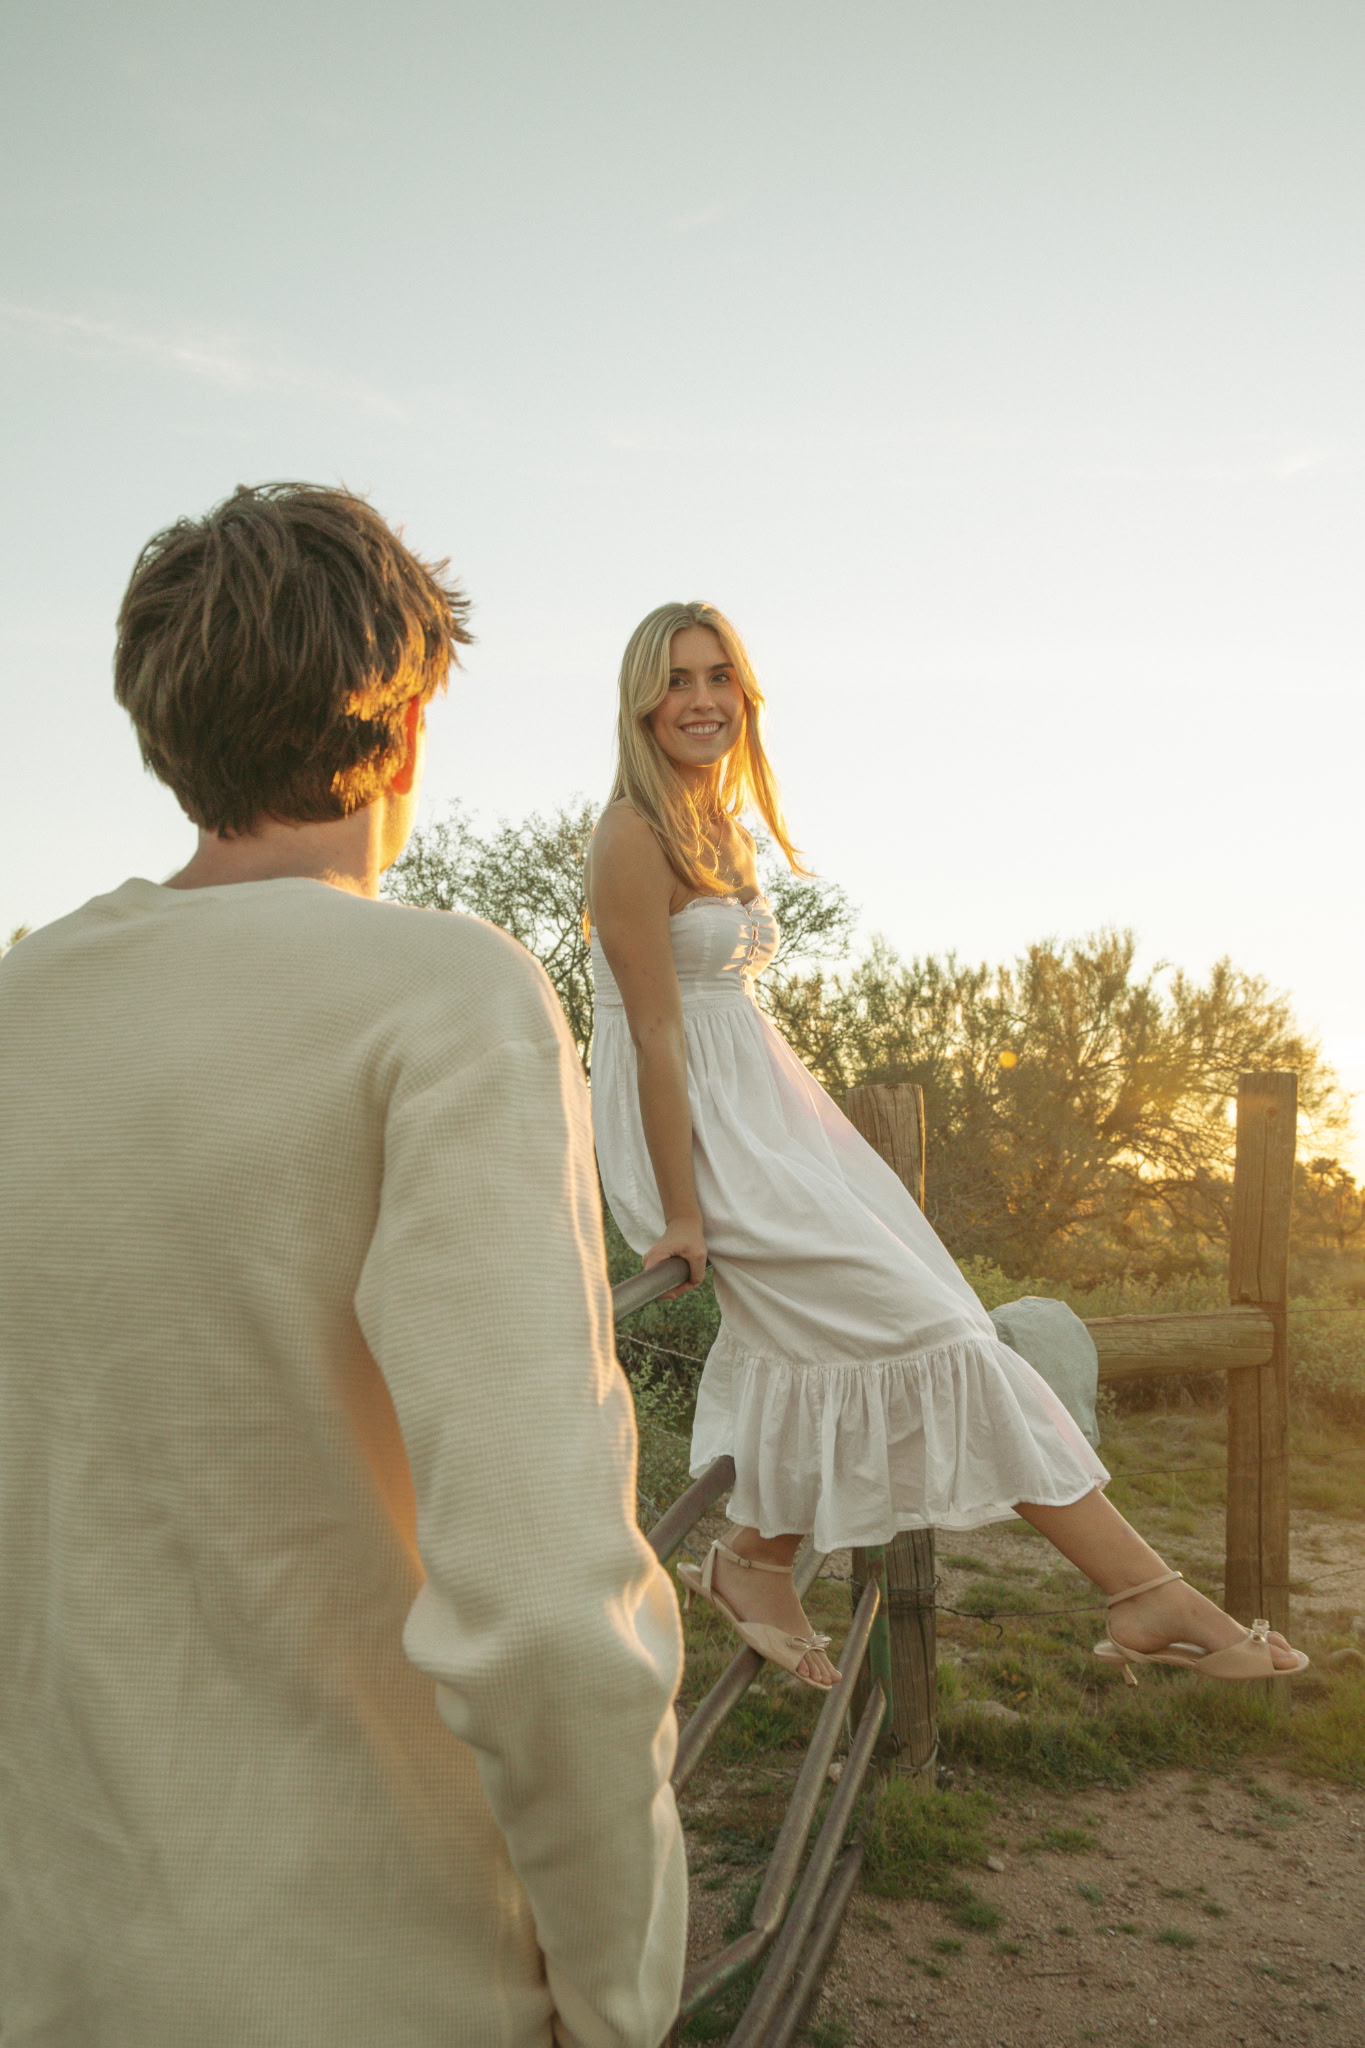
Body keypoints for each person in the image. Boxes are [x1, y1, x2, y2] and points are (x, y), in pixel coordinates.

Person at [0, 485, 686, 2048]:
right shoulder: (444, 999)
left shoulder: (19, 1004)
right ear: (412, 711)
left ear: (161, 722)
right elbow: (538, 1604)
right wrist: (618, 1988)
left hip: (52, 1970)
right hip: (370, 1981)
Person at [585, 599, 1308, 1693]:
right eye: (677, 680)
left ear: (744, 693)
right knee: (930, 1331)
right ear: (643, 700)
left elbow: (726, 1010)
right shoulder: (631, 833)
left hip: (771, 1113)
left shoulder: (718, 823)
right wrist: (682, 1213)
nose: (700, 700)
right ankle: (1145, 1593)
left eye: (718, 676)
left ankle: (753, 1559)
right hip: (699, 1128)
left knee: (927, 1323)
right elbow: (651, 1029)